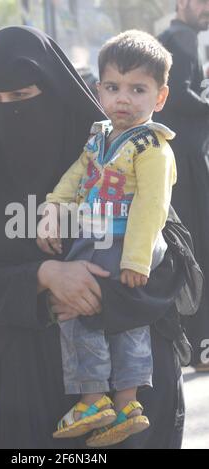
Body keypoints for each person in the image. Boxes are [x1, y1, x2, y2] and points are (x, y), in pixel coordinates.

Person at [0, 26, 194, 449]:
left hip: (132, 389)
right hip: (32, 383)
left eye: (23, 96)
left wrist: (103, 289)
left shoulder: (112, 150)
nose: (9, 111)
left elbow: (172, 260)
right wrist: (45, 278)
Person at [36, 30, 176, 447]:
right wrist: (53, 207)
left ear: (160, 97)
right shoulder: (99, 136)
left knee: (123, 321)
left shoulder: (153, 147)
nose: (123, 99)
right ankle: (97, 399)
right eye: (113, 87)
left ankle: (127, 400)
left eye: (138, 89)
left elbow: (153, 207)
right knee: (80, 316)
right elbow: (76, 177)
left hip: (123, 246)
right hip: (90, 241)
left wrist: (136, 259)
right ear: (98, 90)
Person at [158, 0, 209, 370]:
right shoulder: (183, 37)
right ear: (181, 4)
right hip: (188, 160)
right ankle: (200, 344)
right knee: (197, 248)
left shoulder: (173, 36)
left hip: (179, 156)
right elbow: (179, 94)